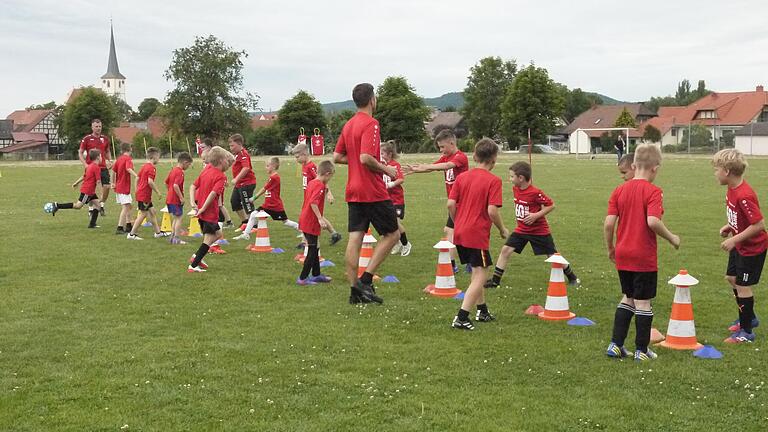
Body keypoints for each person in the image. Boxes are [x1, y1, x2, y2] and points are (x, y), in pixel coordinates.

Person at [604, 144, 680, 361]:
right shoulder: (654, 191)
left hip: (623, 253)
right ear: (655, 169)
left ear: (634, 165)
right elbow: (653, 221)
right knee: (643, 302)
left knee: (627, 297)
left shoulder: (619, 190)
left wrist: (611, 247)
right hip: (642, 255)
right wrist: (672, 237)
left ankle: (616, 345)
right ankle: (642, 350)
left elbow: (609, 224)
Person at [333, 82, 400, 304]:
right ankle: (366, 280)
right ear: (372, 100)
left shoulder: (349, 124)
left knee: (355, 238)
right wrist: (386, 169)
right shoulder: (371, 124)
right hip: (372, 190)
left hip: (352, 189)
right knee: (392, 234)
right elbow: (365, 158)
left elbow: (337, 157)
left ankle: (355, 292)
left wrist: (358, 161)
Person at [484, 161, 579, 288]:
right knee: (506, 250)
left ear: (521, 178)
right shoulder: (516, 189)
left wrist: (536, 215)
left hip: (538, 231)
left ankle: (572, 277)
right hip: (522, 230)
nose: (510, 179)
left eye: (512, 176)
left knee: (553, 255)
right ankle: (495, 281)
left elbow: (551, 205)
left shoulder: (535, 192)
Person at [448, 138, 509, 330]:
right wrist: (502, 229)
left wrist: (458, 221)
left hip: (459, 232)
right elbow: (492, 211)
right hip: (476, 234)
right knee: (482, 275)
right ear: (494, 159)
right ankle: (461, 316)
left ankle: (482, 310)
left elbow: (450, 204)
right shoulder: (494, 181)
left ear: (475, 156)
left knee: (476, 271)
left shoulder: (462, 177)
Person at [712, 149, 766, 343]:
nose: (715, 173)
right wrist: (730, 226)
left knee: (743, 286)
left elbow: (759, 225)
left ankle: (746, 332)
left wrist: (734, 239)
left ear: (727, 171)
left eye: (716, 169)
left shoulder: (744, 194)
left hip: (752, 248)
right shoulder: (732, 189)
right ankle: (749, 317)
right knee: (731, 278)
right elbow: (743, 218)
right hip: (741, 245)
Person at [404, 129, 468, 271]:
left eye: (442, 147)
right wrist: (416, 169)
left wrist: (426, 166)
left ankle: (454, 265)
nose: (441, 150)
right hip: (454, 203)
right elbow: (434, 167)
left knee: (452, 231)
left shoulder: (460, 157)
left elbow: (446, 166)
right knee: (455, 231)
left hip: (462, 202)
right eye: (439, 147)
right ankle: (467, 263)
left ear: (452, 143)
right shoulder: (446, 157)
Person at [188, 146, 235, 272]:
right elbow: (213, 194)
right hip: (209, 212)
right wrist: (203, 208)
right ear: (220, 161)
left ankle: (197, 258)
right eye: (226, 160)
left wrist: (194, 204)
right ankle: (193, 265)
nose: (228, 163)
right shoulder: (221, 176)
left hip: (203, 211)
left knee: (217, 234)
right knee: (210, 238)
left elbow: (192, 186)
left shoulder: (207, 169)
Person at [233, 157, 300, 240]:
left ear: (274, 166)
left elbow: (264, 189)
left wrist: (254, 197)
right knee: (253, 214)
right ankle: (246, 234)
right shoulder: (272, 177)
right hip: (267, 205)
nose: (266, 168)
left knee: (286, 222)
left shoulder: (275, 178)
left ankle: (302, 230)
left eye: (268, 166)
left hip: (275, 206)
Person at [293, 143, 342, 245]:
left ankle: (329, 235)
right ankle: (307, 240)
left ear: (304, 154)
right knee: (310, 216)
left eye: (297, 157)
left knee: (315, 217)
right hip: (308, 195)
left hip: (315, 195)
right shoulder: (304, 166)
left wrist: (329, 193)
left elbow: (323, 180)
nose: (296, 159)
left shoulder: (311, 167)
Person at [297, 160, 336, 285]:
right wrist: (320, 218)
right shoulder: (319, 185)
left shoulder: (312, 182)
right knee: (312, 250)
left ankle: (316, 274)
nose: (330, 180)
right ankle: (302, 278)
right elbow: (313, 202)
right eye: (331, 177)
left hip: (306, 219)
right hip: (311, 221)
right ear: (327, 174)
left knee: (315, 247)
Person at [50, 149, 103, 228]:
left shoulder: (89, 166)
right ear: (98, 157)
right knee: (78, 206)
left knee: (98, 206)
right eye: (101, 156)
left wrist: (76, 183)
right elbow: (98, 182)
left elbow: (83, 176)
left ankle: (92, 224)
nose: (102, 158)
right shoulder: (96, 167)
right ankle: (57, 205)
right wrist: (102, 194)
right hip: (88, 191)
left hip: (90, 191)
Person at [126, 147, 168, 240]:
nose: (159, 159)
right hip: (144, 195)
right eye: (158, 157)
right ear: (154, 157)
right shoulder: (151, 168)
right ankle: (132, 234)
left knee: (152, 212)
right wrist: (158, 192)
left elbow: (137, 178)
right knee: (143, 214)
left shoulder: (144, 166)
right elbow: (150, 182)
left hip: (143, 194)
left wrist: (137, 190)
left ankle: (157, 232)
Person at [381, 140, 411, 256]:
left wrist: (391, 184)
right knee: (390, 224)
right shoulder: (382, 166)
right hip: (386, 199)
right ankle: (397, 243)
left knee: (396, 223)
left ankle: (406, 244)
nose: (381, 156)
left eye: (382, 154)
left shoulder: (395, 165)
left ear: (389, 154)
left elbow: (401, 179)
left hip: (397, 199)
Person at [78, 118, 112, 212]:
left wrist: (110, 160)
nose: (98, 128)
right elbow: (80, 152)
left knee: (107, 186)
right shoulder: (86, 139)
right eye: (96, 126)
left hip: (103, 167)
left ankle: (101, 204)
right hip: (91, 168)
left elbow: (108, 151)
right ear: (92, 127)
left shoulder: (105, 139)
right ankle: (91, 208)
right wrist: (85, 164)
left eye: (100, 126)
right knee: (91, 189)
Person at [198, 138, 233, 229]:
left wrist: (225, 181)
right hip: (211, 184)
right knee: (217, 204)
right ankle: (220, 221)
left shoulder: (216, 157)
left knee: (220, 204)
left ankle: (226, 221)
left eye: (203, 147)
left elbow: (220, 171)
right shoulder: (208, 161)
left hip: (216, 185)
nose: (204, 160)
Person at [228, 134, 257, 229]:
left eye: (232, 145)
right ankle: (245, 221)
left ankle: (254, 226)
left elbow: (246, 168)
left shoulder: (243, 154)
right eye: (230, 145)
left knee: (247, 204)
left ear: (239, 144)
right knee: (234, 202)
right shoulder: (236, 155)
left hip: (247, 183)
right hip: (239, 184)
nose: (230, 147)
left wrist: (236, 179)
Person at [165, 152, 193, 245]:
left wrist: (169, 192)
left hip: (169, 198)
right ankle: (176, 238)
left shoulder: (173, 170)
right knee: (179, 218)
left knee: (176, 218)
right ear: (185, 162)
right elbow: (176, 185)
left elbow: (166, 182)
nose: (188, 167)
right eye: (188, 164)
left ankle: (172, 237)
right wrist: (181, 197)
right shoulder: (180, 172)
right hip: (175, 199)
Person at [111, 142, 139, 235]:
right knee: (126, 207)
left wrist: (112, 183)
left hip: (119, 186)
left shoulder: (118, 159)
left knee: (128, 206)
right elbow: (128, 169)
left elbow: (113, 171)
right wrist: (136, 175)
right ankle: (119, 227)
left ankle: (128, 226)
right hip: (123, 187)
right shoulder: (128, 159)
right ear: (130, 149)